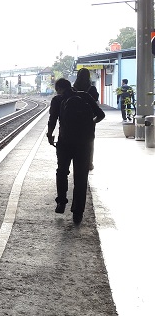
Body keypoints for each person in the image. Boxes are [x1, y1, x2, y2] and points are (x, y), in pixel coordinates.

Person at [46, 78, 105, 224]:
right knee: (80, 177)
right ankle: (78, 211)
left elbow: (52, 119)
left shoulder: (57, 100)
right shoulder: (85, 96)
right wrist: (90, 123)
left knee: (62, 171)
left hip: (65, 142)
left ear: (59, 88)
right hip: (84, 143)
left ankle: (61, 201)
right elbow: (101, 115)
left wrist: (50, 135)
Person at [72, 68, 99, 170]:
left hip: (75, 119)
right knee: (89, 141)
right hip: (89, 118)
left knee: (75, 140)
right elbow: (95, 100)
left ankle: (76, 161)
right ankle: (89, 163)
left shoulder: (73, 88)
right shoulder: (92, 89)